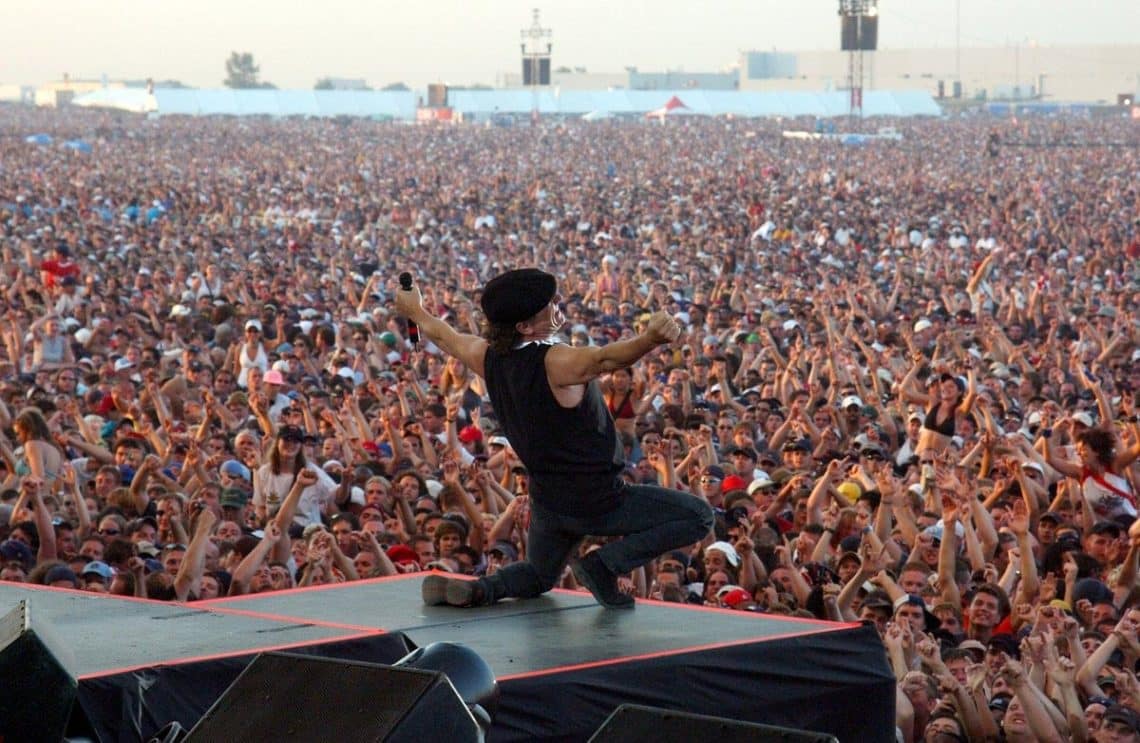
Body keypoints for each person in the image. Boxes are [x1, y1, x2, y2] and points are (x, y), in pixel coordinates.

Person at [396, 267, 713, 609]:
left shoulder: (487, 357)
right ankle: (604, 564)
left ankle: (481, 590)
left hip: (548, 501)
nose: (558, 303)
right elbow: (604, 358)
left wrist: (415, 310)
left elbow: (445, 337)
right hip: (597, 499)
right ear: (525, 327)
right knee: (699, 517)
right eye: (549, 303)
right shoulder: (553, 361)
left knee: (540, 574)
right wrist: (650, 339)